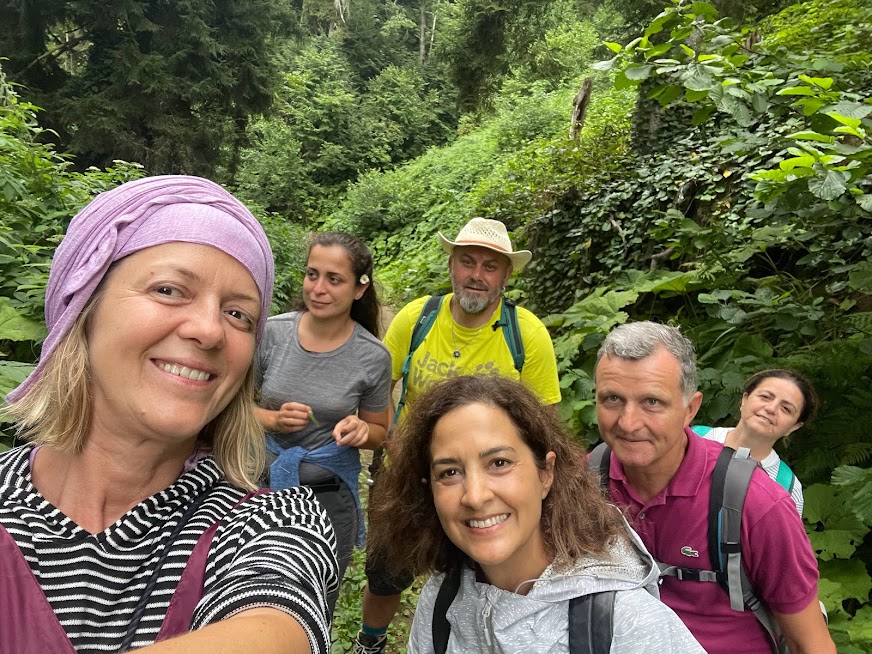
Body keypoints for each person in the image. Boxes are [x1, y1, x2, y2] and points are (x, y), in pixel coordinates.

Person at [0, 176, 338, 653]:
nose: (209, 330)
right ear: (83, 309)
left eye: (238, 315)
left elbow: (276, 626)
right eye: (169, 289)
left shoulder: (272, 520)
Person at [367, 375, 705, 653]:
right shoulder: (443, 598)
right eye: (450, 472)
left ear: (546, 473)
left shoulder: (627, 624)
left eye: (499, 463)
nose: (475, 496)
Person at [354, 217, 561, 654]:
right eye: (468, 262)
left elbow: (544, 424)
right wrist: (395, 443)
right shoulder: (417, 318)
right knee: (387, 570)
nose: (477, 275)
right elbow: (379, 385)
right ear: (451, 266)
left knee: (480, 571)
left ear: (506, 276)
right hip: (407, 475)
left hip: (486, 483)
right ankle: (370, 642)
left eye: (490, 266)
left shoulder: (527, 335)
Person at [593, 321, 834, 654]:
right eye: (612, 399)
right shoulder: (588, 478)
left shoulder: (760, 503)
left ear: (690, 409)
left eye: (652, 402)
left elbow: (809, 641)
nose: (629, 423)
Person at [254, 232, 392, 610]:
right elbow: (232, 407)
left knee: (316, 594)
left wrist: (362, 431)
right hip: (257, 482)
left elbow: (379, 432)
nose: (318, 289)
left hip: (328, 496)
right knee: (250, 586)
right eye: (312, 274)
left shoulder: (373, 357)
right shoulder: (273, 333)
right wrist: (271, 418)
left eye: (334, 279)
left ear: (359, 289)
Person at [694, 368, 817, 516]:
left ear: (794, 426)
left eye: (786, 408)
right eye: (765, 397)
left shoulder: (787, 487)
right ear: (744, 400)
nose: (771, 408)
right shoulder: (694, 437)